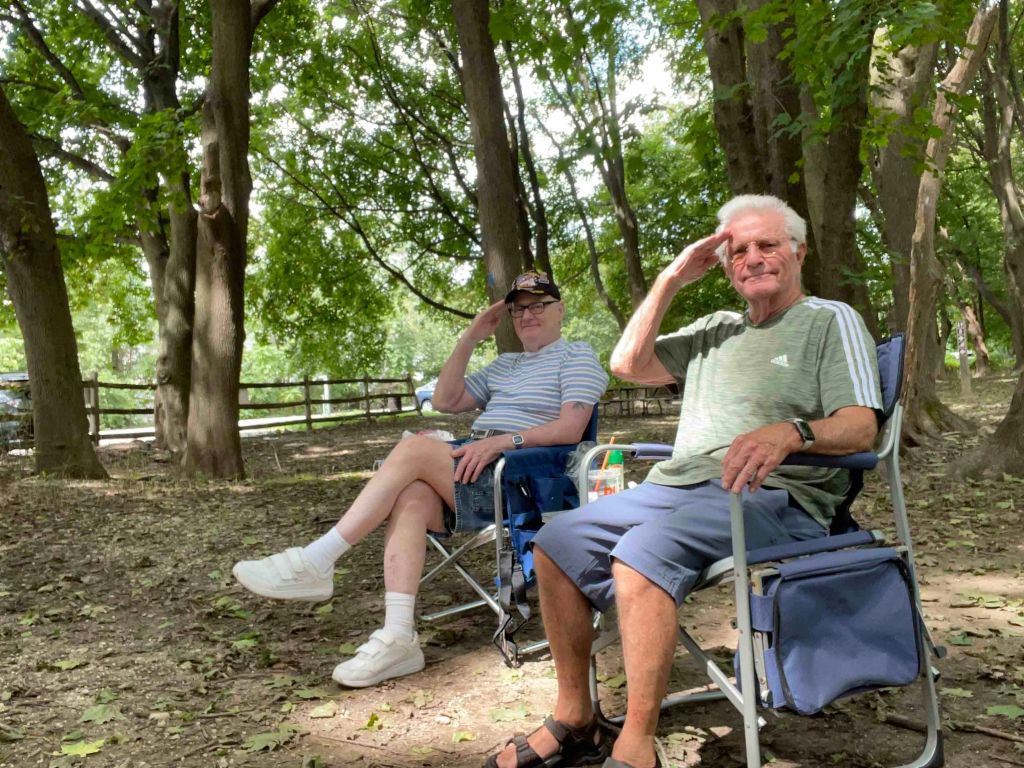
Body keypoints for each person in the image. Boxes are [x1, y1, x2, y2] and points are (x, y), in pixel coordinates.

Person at [485, 195, 882, 768]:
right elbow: (626, 364)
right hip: (675, 487)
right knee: (555, 541)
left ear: (798, 251)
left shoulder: (828, 319)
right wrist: (670, 279)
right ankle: (575, 717)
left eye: (767, 244)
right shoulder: (713, 330)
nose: (752, 258)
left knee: (642, 552)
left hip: (773, 493)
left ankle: (636, 744)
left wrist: (792, 433)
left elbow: (861, 427)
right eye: (737, 251)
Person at [233, 271, 608, 688]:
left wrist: (504, 441)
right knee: (411, 495)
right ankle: (399, 637)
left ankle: (317, 561)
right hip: (478, 466)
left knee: (413, 449)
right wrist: (470, 338)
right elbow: (445, 400)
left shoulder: (577, 356)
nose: (527, 315)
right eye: (518, 309)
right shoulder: (507, 363)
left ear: (560, 310)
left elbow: (571, 428)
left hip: (526, 480)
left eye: (538, 305)